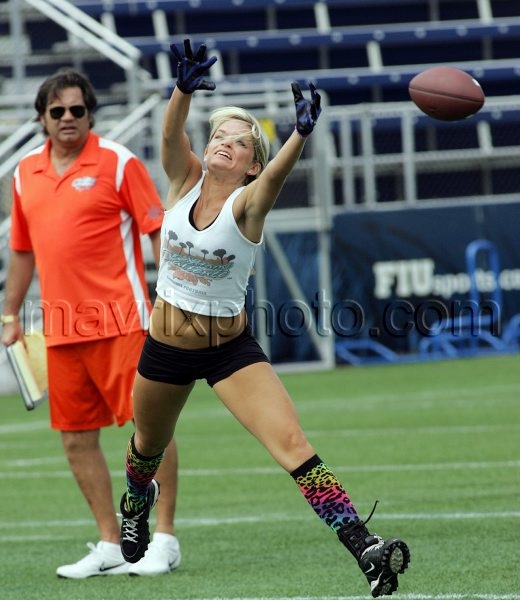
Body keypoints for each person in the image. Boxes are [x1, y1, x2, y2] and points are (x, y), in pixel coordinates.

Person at [118, 39, 410, 598]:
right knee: (146, 447)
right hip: (165, 348)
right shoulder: (183, 183)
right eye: (218, 136)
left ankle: (366, 551)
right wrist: (181, 90)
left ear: (253, 163)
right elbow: (168, 135)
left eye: (239, 142)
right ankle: (136, 501)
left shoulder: (249, 202)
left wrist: (298, 134)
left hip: (229, 351)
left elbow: (275, 179)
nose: (224, 143)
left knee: (293, 444)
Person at [1, 69, 181, 578]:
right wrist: (10, 315)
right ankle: (111, 543)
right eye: (56, 111)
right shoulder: (23, 174)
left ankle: (163, 539)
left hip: (123, 321)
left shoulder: (119, 162)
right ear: (41, 118)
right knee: (77, 439)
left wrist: (170, 298)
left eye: (76, 110)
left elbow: (155, 228)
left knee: (149, 431)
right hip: (59, 329)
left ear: (90, 114)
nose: (67, 119)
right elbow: (21, 252)